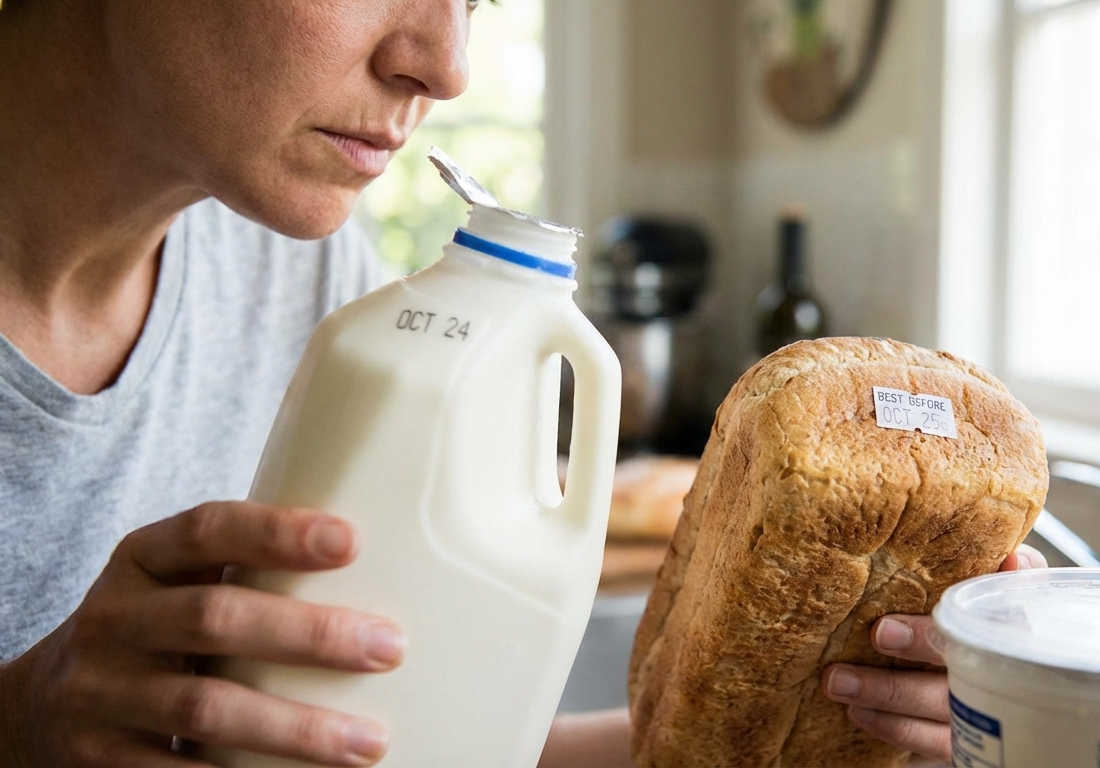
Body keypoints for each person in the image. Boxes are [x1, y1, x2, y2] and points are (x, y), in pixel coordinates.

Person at [0, 1, 1045, 765]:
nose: (443, 65)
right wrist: (20, 723)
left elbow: (393, 739)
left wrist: (804, 715)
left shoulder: (297, 270)